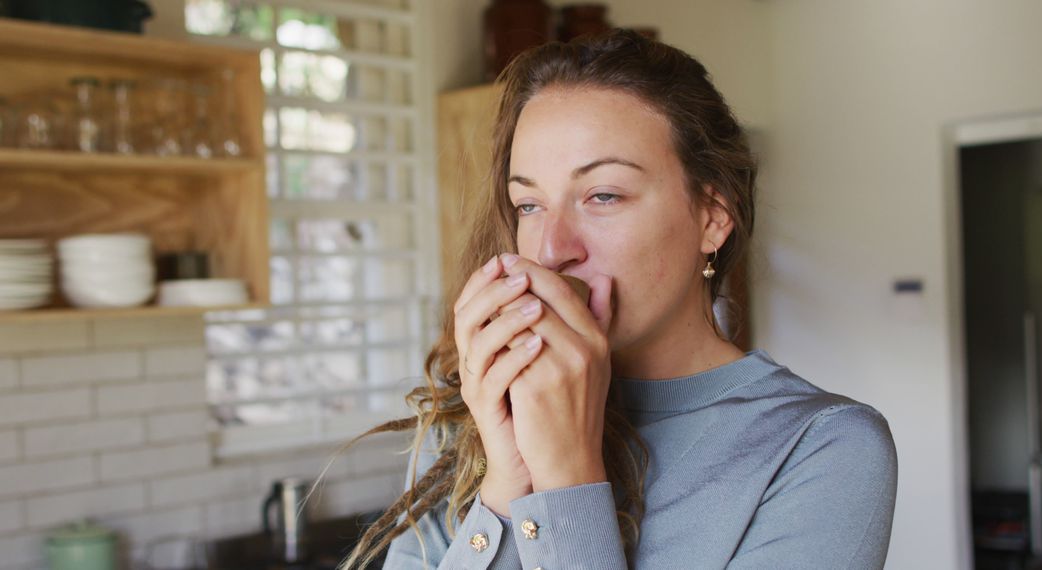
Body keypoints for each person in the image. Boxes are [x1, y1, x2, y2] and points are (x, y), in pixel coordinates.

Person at [339, 29, 898, 569]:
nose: (553, 250)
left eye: (603, 195)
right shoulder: (478, 416)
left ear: (713, 216)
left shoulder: (823, 448)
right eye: (528, 205)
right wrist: (508, 485)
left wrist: (566, 472)